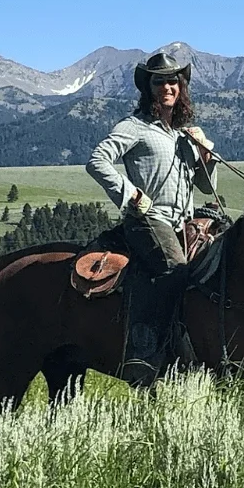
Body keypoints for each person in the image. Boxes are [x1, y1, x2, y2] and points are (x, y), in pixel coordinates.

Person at [86, 51, 218, 384]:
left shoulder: (183, 134)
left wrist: (207, 157)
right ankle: (148, 359)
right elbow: (97, 160)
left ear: (182, 86)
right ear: (149, 87)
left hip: (183, 221)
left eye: (173, 80)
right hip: (148, 218)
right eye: (159, 81)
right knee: (176, 273)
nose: (167, 87)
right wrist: (131, 194)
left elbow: (204, 186)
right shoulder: (135, 127)